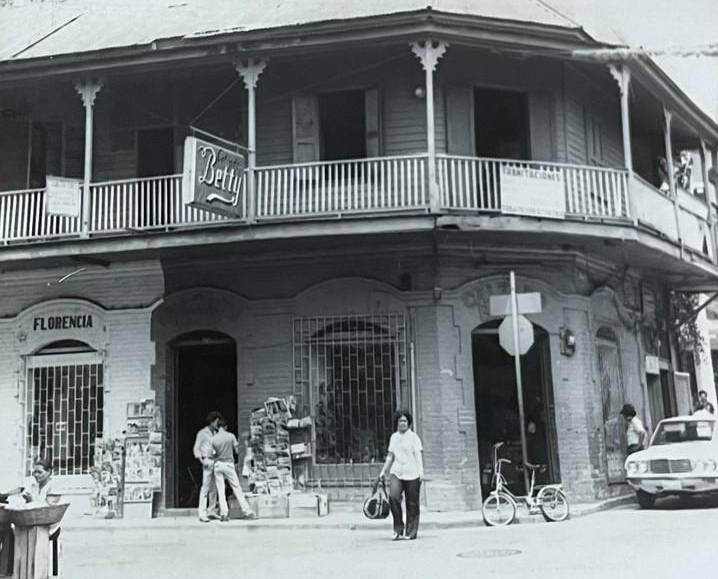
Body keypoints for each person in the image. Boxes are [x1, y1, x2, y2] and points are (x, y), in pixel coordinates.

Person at [378, 410, 424, 541]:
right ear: (397, 423)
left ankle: (411, 532)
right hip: (397, 471)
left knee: (412, 503)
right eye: (400, 421)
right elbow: (390, 456)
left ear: (408, 423)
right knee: (393, 497)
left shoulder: (414, 437)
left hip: (412, 473)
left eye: (404, 421)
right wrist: (383, 471)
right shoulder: (394, 437)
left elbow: (418, 455)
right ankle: (398, 529)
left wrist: (421, 471)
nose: (402, 423)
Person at [22, 457, 62, 576]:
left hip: (49, 525)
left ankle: (43, 572)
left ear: (49, 471)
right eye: (34, 472)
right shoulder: (33, 486)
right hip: (35, 521)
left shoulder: (53, 486)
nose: (36, 475)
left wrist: (32, 500)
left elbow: (49, 509)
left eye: (40, 472)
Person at [211, 420, 256, 521]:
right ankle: (247, 511)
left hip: (218, 465)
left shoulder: (213, 439)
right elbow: (236, 451)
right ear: (225, 427)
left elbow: (213, 454)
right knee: (236, 488)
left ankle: (224, 514)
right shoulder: (231, 436)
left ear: (217, 427)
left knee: (221, 490)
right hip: (228, 464)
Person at [193, 411, 222, 523]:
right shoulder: (202, 433)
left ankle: (212, 511)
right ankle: (202, 513)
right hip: (207, 460)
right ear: (211, 421)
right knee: (205, 487)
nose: (217, 424)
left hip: (215, 460)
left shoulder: (216, 433)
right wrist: (202, 460)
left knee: (214, 488)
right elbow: (197, 448)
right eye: (216, 422)